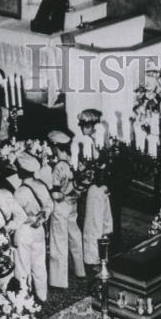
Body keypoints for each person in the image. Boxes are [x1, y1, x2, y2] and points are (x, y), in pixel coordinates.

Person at [46, 130, 85, 290]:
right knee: (75, 236)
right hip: (73, 203)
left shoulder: (58, 167)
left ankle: (59, 280)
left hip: (60, 206)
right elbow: (82, 185)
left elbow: (55, 194)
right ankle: (80, 270)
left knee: (58, 241)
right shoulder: (75, 162)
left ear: (55, 147)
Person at [13, 152, 53, 304]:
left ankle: (24, 298)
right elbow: (49, 205)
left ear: (21, 172)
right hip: (39, 228)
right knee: (39, 263)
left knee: (23, 265)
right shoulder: (41, 185)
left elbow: (17, 215)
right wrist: (41, 217)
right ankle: (42, 296)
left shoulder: (20, 192)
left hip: (25, 230)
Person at [83, 168, 113, 291]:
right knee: (98, 227)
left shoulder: (94, 191)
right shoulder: (99, 190)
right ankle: (99, 261)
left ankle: (96, 263)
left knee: (94, 229)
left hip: (94, 229)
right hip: (101, 191)